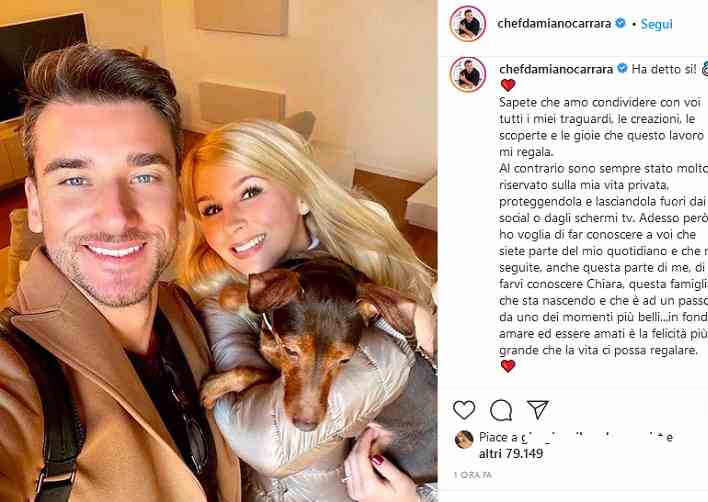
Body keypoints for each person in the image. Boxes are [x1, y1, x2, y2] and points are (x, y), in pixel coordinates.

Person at [0, 44, 240, 501]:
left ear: (177, 197)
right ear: (34, 204)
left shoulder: (188, 310)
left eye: (145, 177)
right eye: (74, 180)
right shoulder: (15, 376)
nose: (116, 217)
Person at [178, 120, 437, 501]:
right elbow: (267, 442)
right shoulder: (222, 300)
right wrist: (400, 339)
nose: (232, 223)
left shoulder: (369, 272)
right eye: (212, 208)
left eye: (250, 191)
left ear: (302, 196)